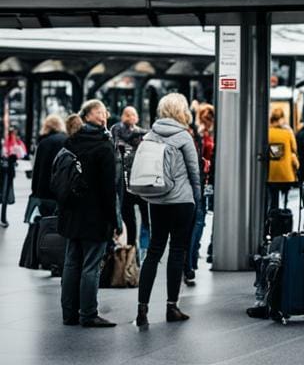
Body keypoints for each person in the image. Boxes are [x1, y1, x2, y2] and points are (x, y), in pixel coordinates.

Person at [136, 93, 202, 327]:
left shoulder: (149, 135)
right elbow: (195, 173)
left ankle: (142, 309)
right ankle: (171, 307)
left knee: (154, 251)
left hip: (157, 200)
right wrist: (198, 198)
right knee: (177, 251)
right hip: (182, 201)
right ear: (181, 111)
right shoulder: (184, 137)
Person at [58, 99, 119, 327]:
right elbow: (108, 188)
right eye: (99, 112)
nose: (104, 116)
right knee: (91, 265)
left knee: (72, 262)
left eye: (104, 111)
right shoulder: (104, 146)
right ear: (87, 117)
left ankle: (69, 313)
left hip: (71, 212)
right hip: (95, 215)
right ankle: (89, 314)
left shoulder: (71, 142)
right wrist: (113, 220)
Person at [111, 106, 149, 255]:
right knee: (141, 218)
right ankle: (139, 250)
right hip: (137, 180)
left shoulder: (117, 131)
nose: (131, 117)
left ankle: (133, 249)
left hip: (126, 181)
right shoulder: (142, 134)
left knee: (131, 218)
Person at [185, 102, 215, 287]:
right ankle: (191, 261)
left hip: (202, 180)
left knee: (199, 221)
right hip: (200, 181)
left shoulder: (200, 133)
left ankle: (192, 260)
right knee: (198, 221)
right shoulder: (200, 134)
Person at [30, 115, 68, 219]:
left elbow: (37, 169)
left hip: (44, 192)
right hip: (61, 190)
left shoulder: (43, 143)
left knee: (46, 221)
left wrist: (35, 192)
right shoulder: (67, 140)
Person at [267, 105, 298, 210]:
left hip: (271, 172)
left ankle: (273, 216)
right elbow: (294, 148)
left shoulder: (267, 132)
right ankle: (284, 216)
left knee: (273, 197)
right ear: (281, 118)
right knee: (285, 199)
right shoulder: (287, 132)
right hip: (285, 172)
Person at [0, 124, 27, 227]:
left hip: (8, 171)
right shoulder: (6, 142)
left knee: (5, 195)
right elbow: (6, 153)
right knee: (5, 194)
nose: (14, 134)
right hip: (6, 170)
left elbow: (23, 154)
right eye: (12, 132)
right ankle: (3, 218)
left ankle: (3, 218)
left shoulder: (17, 142)